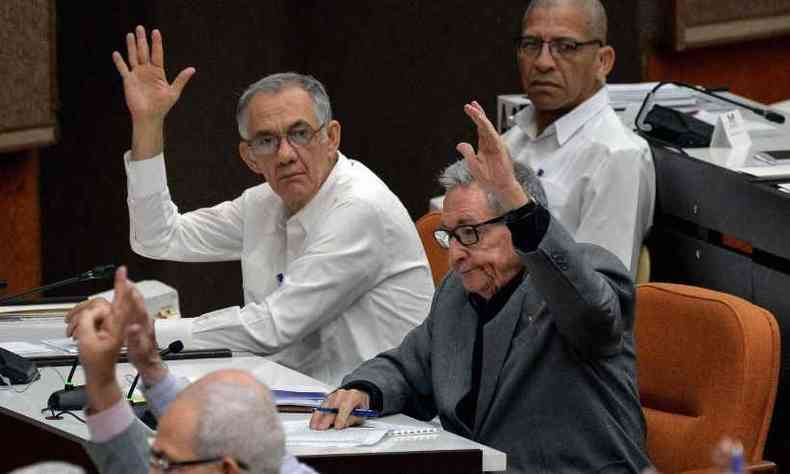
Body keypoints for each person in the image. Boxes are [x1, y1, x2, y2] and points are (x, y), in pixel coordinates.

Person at [310, 102, 650, 473]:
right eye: (450, 236)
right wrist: (364, 389)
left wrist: (516, 199)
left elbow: (591, 314)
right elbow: (410, 368)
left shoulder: (584, 274)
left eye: (470, 233)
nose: (455, 254)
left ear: (515, 224)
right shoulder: (457, 294)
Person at [110, 26, 434, 385]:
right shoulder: (263, 203)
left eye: (299, 134)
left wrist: (152, 333)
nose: (285, 155)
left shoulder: (361, 208)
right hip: (301, 400)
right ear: (248, 157)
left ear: (331, 137)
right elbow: (157, 236)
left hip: (384, 418)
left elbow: (274, 325)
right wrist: (148, 124)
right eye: (266, 140)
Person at [68, 267, 317, 474]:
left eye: (164, 463)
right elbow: (199, 431)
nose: (150, 472)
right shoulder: (268, 463)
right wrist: (148, 363)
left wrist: (101, 382)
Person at [504, 0, 655, 277]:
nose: (543, 62)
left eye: (566, 47)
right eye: (531, 44)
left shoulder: (616, 157)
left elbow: (597, 296)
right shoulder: (510, 141)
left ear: (603, 61)